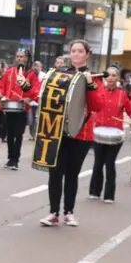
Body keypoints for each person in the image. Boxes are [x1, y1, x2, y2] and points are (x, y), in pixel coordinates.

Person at [40, 40, 105, 227]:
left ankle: (69, 212)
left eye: (80, 51)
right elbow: (45, 95)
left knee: (72, 174)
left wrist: (91, 85)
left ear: (87, 54)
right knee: (54, 172)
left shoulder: (95, 78)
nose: (76, 54)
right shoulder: (61, 75)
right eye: (73, 51)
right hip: (58, 130)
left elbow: (97, 106)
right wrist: (27, 87)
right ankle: (53, 213)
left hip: (81, 134)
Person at [89, 67, 131, 203]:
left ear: (117, 78)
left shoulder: (122, 94)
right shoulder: (97, 92)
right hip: (98, 132)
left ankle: (109, 195)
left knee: (109, 163)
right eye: (108, 75)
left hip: (115, 134)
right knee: (98, 163)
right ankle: (94, 191)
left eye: (113, 75)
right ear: (104, 77)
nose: (110, 78)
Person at [0, 49, 39, 170]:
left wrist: (28, 99)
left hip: (22, 109)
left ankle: (16, 159)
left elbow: (35, 90)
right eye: (17, 56)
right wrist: (2, 95)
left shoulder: (31, 74)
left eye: (22, 56)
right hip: (10, 107)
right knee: (9, 134)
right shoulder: (9, 72)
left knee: (18, 134)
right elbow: (1, 87)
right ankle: (10, 157)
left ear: (27, 58)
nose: (19, 59)